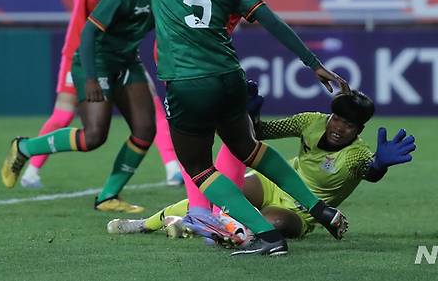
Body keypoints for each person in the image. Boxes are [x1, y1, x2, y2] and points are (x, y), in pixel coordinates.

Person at [85, 0, 412, 221]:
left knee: (231, 140)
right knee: (221, 141)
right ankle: (204, 215)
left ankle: (214, 217)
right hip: (183, 56)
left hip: (219, 57)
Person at [75, 0, 356, 256]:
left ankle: (267, 237)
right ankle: (319, 208)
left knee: (198, 167)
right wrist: (313, 63)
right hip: (229, 78)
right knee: (251, 150)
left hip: (188, 83)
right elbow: (273, 22)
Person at [1, 0, 173, 213]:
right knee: (93, 137)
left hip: (127, 61)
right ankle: (24, 148)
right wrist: (91, 77)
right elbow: (89, 34)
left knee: (145, 130)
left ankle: (108, 196)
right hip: (97, 61)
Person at [107, 90, 416, 242]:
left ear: (358, 131)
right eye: (337, 118)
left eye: (348, 124)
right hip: (274, 183)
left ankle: (201, 225)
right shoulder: (311, 122)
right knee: (226, 191)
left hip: (302, 212)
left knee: (274, 225)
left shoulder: (356, 154)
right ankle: (147, 223)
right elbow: (261, 132)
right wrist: (250, 116)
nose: (338, 127)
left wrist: (380, 166)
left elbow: (369, 170)